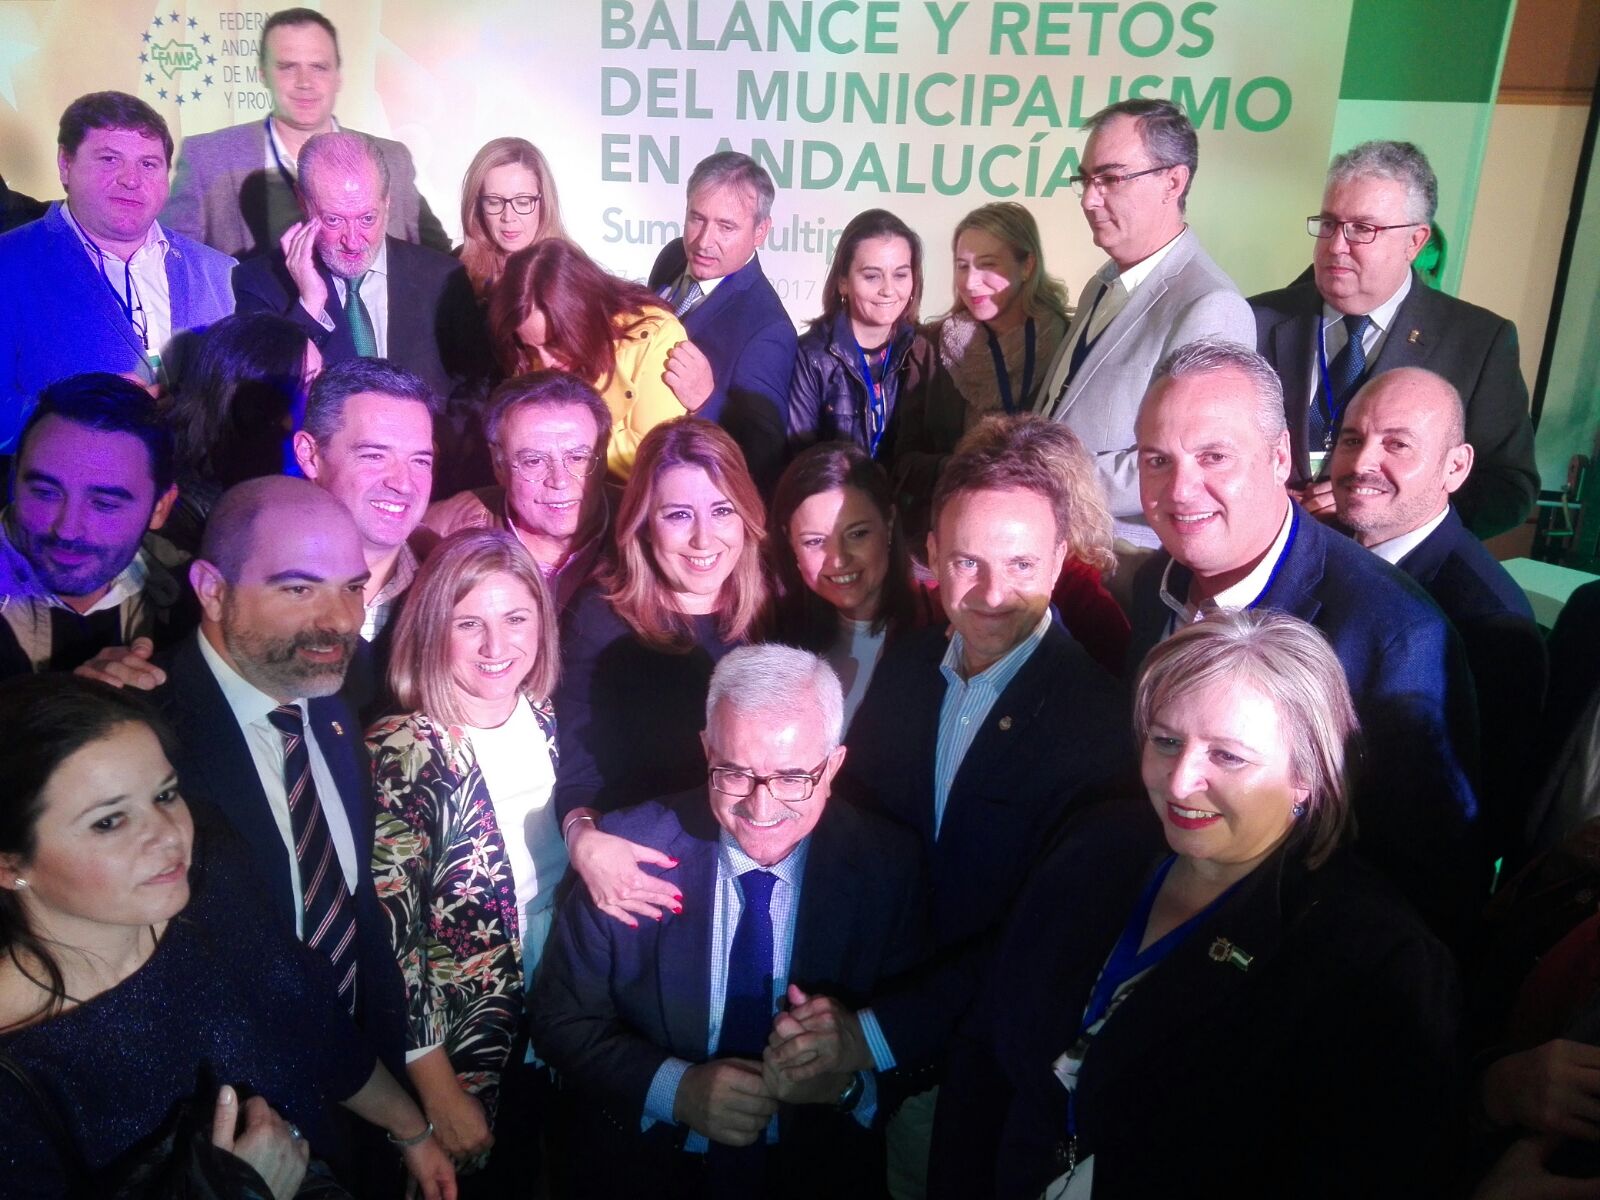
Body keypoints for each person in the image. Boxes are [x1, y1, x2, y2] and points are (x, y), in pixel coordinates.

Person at [932, 610, 1461, 1199]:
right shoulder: (1095, 845)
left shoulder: (1378, 962)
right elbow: (985, 1054)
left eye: (1227, 756)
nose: (1180, 782)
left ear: (1308, 774)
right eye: (1166, 741)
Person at [824, 414, 1134, 1194]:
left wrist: (875, 1035)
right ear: (930, 555)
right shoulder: (906, 665)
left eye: (1022, 563)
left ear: (1060, 559)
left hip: (985, 1083)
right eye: (967, 561)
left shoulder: (1101, 726)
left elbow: (1043, 938)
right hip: (874, 1058)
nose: (994, 595)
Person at [0, 674, 456, 1200]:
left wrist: (409, 1129)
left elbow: (313, 1025)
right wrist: (240, 1190)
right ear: (11, 865)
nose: (169, 835)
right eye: (109, 822)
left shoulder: (212, 878)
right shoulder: (17, 1072)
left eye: (166, 794)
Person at [531, 644, 929, 1200]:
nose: (761, 810)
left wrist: (843, 1088)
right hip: (645, 1175)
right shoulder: (627, 852)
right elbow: (559, 1020)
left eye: (792, 777)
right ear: (706, 749)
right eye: (735, 773)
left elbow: (919, 1039)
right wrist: (677, 1090)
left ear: (834, 765)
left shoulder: (889, 868)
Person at [1127, 337, 1481, 938]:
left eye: (1214, 457)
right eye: (1157, 460)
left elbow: (1426, 882)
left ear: (1279, 458)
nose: (1180, 490)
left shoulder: (1395, 637)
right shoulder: (1151, 585)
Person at [146, 477, 409, 1079]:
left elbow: (355, 904)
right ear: (213, 591)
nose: (340, 619)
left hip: (365, 1078)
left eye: (352, 587)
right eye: (298, 588)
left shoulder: (341, 694)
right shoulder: (143, 736)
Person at [369, 530, 565, 1192]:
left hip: (550, 1012)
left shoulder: (545, 718)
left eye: (516, 619)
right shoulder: (403, 749)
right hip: (459, 1048)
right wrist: (437, 1090)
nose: (495, 645)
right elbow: (392, 943)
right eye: (469, 623)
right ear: (432, 630)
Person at [1251, 140, 1539, 539]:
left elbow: (1509, 490)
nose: (1336, 246)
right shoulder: (1256, 320)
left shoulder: (1477, 343)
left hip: (1391, 569)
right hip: (1264, 554)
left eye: (1362, 229)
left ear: (1415, 241)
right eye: (1329, 224)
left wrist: (1386, 509)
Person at [555, 418, 768, 930]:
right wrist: (583, 838)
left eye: (722, 510)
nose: (703, 538)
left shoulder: (773, 609)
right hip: (645, 877)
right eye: (678, 515)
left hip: (753, 869)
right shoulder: (598, 618)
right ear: (644, 523)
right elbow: (577, 774)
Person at [1331, 367, 1545, 869]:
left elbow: (1473, 823)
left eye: (1397, 445)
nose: (1362, 462)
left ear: (1455, 467)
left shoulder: (1489, 622)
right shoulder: (1329, 549)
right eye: (1352, 439)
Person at [1037, 99, 1255, 562]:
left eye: (1111, 179)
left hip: (1125, 563)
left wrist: (1043, 480)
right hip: (1061, 547)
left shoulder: (1211, 305)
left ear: (1173, 182)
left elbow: (1191, 464)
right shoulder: (1102, 282)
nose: (1089, 199)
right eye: (1085, 180)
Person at [0, 91, 235, 446]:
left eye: (148, 164)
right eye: (110, 159)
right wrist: (88, 415)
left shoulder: (220, 273)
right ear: (65, 164)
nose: (131, 179)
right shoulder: (9, 264)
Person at [161, 7, 448, 259]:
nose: (305, 82)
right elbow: (171, 262)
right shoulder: (207, 158)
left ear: (338, 76)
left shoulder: (392, 158)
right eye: (288, 67)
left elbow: (440, 262)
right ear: (263, 73)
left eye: (318, 67)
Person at [233, 130, 485, 401]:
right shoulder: (259, 283)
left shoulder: (443, 278)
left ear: (387, 201)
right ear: (302, 201)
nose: (352, 241)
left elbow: (475, 392)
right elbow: (263, 402)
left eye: (367, 219)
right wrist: (309, 306)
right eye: (333, 220)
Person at [892, 202, 1070, 539]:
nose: (971, 282)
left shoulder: (1065, 344)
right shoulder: (929, 345)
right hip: (948, 532)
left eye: (988, 265)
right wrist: (964, 468)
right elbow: (902, 463)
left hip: (1037, 535)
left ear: (1027, 266)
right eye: (962, 266)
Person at [0, 374, 191, 681]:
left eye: (104, 504)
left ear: (160, 508)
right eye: (46, 493)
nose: (67, 530)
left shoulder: (191, 595)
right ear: (14, 479)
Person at [646, 151, 797, 493]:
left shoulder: (769, 330)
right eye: (696, 219)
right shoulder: (672, 256)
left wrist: (706, 401)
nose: (703, 241)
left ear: (761, 231)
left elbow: (764, 456)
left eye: (726, 227)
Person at [489, 238, 697, 480]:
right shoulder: (525, 356)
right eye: (530, 348)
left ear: (583, 314)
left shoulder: (654, 333)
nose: (545, 363)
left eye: (554, 342)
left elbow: (651, 453)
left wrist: (550, 448)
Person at [764, 443, 939, 724]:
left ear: (889, 525)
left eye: (857, 534)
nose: (838, 559)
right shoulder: (774, 631)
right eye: (814, 541)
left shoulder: (944, 621)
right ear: (790, 543)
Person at [419, 371, 614, 612]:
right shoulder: (437, 536)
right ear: (498, 464)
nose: (560, 481)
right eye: (534, 461)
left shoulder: (642, 527)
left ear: (603, 458)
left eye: (577, 458)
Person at [293, 359, 439, 646]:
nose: (403, 484)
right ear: (310, 455)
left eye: (420, 461)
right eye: (374, 456)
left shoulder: (455, 595)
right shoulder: (253, 587)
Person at [166, 311, 322, 552]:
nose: (323, 394)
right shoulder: (203, 514)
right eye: (311, 382)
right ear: (260, 404)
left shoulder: (293, 467)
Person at [786, 209, 934, 458]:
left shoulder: (924, 351)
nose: (888, 290)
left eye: (900, 275)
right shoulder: (811, 357)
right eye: (872, 276)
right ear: (843, 282)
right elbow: (800, 463)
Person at [458, 137, 567, 299]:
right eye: (494, 202)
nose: (508, 217)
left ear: (544, 202)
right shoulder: (456, 271)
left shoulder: (571, 271)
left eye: (522, 202)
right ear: (477, 206)